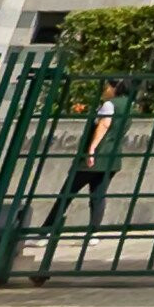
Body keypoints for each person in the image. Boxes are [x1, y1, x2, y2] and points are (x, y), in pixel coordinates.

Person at [42, 80, 123, 233]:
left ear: (114, 88)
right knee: (98, 196)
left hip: (94, 158)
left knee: (67, 193)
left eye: (107, 87)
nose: (105, 90)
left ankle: (47, 230)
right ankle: (93, 232)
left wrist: (92, 149)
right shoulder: (128, 105)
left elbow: (104, 124)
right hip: (112, 159)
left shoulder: (109, 105)